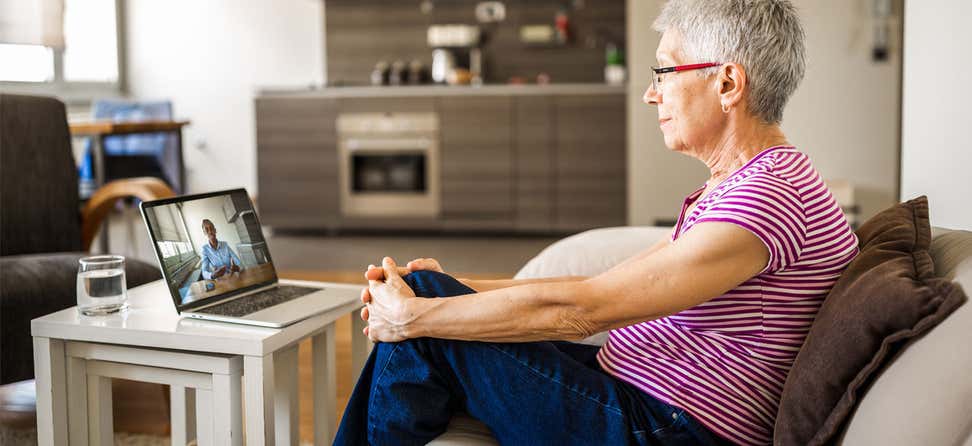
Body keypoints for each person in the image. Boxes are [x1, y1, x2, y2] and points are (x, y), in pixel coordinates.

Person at [335, 1, 859, 445]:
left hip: (663, 429)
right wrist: (458, 287)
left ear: (727, 83)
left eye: (664, 72)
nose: (652, 93)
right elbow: (594, 287)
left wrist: (415, 318)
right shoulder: (750, 183)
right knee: (429, 293)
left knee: (421, 326)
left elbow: (585, 311)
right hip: (641, 397)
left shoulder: (767, 198)